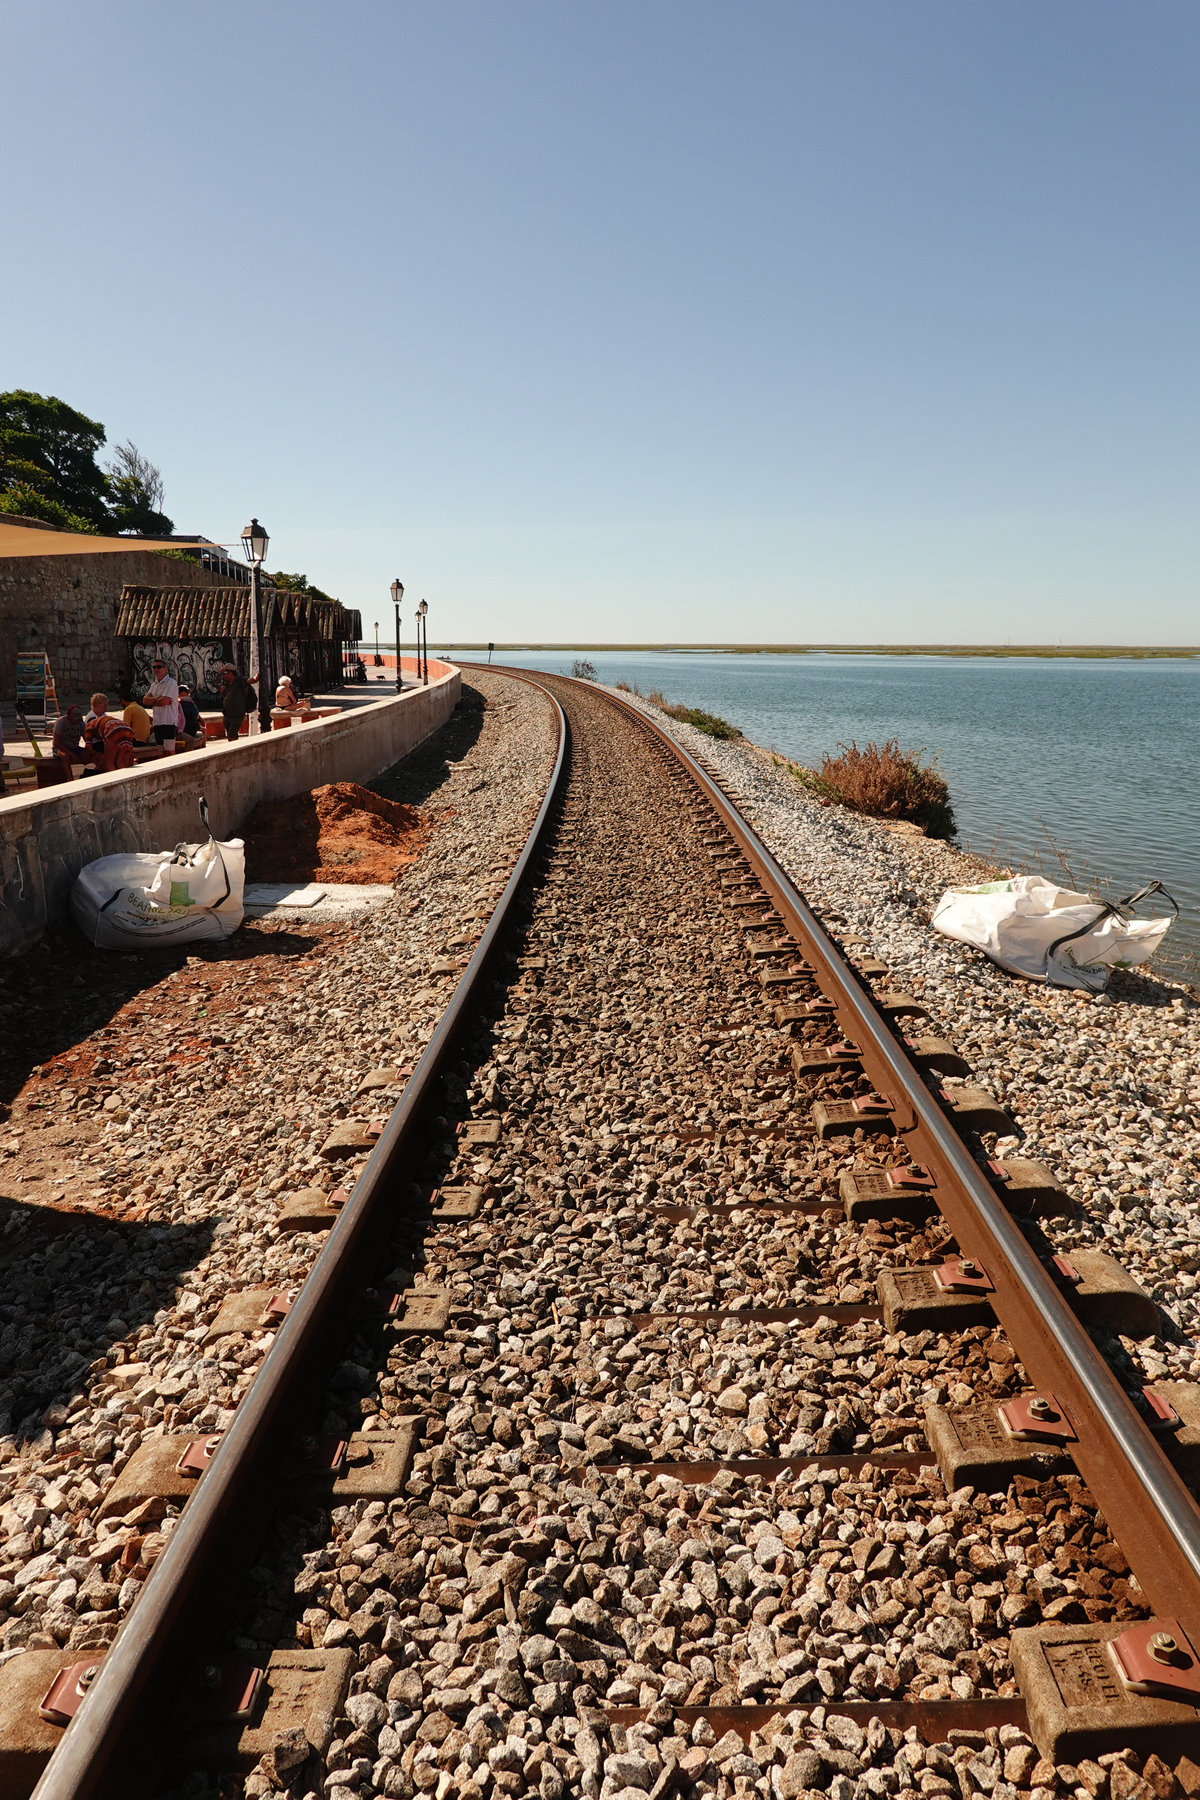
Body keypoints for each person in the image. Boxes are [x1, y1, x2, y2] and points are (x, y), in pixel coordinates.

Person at [85, 695, 136, 771]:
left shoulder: (102, 716)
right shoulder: (91, 717)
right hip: (123, 731)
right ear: (96, 705)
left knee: (112, 760)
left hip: (114, 732)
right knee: (116, 760)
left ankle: (115, 776)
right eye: (104, 705)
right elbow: (89, 737)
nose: (106, 708)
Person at [142, 659, 181, 746]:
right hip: (157, 722)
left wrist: (153, 701)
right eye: (154, 667)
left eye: (159, 667)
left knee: (169, 750)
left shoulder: (171, 683)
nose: (156, 669)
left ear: (165, 668)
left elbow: (164, 701)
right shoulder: (154, 685)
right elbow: (145, 701)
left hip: (168, 722)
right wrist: (158, 698)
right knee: (161, 750)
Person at [219, 665, 256, 741]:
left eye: (224, 673)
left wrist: (255, 679)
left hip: (237, 714)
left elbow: (249, 681)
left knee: (231, 736)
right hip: (227, 714)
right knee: (233, 736)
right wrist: (222, 692)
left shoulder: (240, 681)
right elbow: (226, 697)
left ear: (230, 673)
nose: (223, 675)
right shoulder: (226, 683)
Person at [52, 705, 89, 776]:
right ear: (69, 716)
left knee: (88, 755)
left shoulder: (81, 724)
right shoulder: (61, 722)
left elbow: (86, 739)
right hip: (60, 748)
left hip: (75, 747)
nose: (76, 722)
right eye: (74, 719)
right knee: (65, 756)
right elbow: (56, 742)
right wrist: (71, 753)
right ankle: (70, 779)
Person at [177, 685, 203, 749]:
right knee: (202, 731)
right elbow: (196, 714)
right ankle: (203, 747)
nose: (188, 693)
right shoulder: (189, 702)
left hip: (181, 729)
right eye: (186, 692)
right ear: (181, 693)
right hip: (188, 729)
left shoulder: (176, 702)